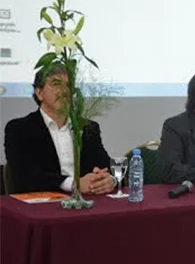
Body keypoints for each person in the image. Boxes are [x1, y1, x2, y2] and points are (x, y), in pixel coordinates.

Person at [4, 64, 116, 194]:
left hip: (88, 200)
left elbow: (105, 166)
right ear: (39, 93)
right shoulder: (19, 129)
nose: (63, 90)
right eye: (56, 84)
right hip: (43, 204)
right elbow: (25, 177)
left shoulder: (87, 127)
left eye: (68, 85)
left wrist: (109, 180)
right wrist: (75, 184)